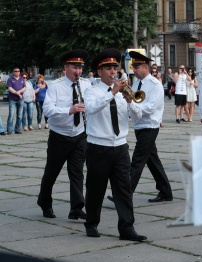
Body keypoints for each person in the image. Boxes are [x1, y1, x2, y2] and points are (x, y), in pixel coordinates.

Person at [83, 48, 147, 241]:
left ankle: (127, 228)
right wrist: (112, 93)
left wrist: (130, 102)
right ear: (99, 71)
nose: (113, 72)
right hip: (98, 147)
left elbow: (139, 115)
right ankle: (91, 223)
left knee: (124, 189)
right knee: (96, 189)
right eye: (108, 68)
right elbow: (92, 109)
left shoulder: (123, 92)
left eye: (114, 68)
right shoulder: (91, 90)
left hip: (120, 146)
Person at [37, 49, 91, 219]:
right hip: (59, 136)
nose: (78, 71)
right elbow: (47, 109)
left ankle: (76, 207)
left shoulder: (86, 84)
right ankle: (44, 202)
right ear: (66, 67)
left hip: (80, 134)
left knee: (77, 173)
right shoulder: (55, 85)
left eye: (80, 68)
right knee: (52, 172)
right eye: (75, 67)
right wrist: (69, 110)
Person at [128, 51, 173, 203]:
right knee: (152, 160)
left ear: (145, 67)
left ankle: (124, 193)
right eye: (133, 66)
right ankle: (166, 191)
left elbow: (150, 108)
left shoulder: (155, 85)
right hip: (139, 126)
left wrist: (133, 106)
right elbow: (132, 107)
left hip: (149, 126)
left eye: (137, 66)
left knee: (137, 160)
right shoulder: (135, 84)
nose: (134, 69)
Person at [6, 67, 26, 135]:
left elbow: (25, 88)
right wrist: (17, 93)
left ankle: (17, 129)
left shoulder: (22, 79)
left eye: (18, 71)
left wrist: (19, 92)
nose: (17, 72)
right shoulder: (10, 79)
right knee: (11, 115)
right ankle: (9, 129)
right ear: (13, 72)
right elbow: (10, 88)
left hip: (20, 99)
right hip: (12, 99)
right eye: (15, 71)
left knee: (19, 115)